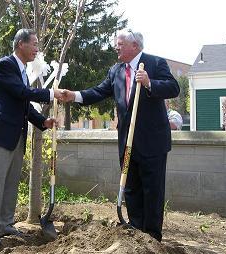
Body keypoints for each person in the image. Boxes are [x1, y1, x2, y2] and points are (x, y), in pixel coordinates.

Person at [61, 29, 180, 242]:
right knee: (131, 187)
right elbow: (98, 92)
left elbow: (173, 88)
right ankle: (136, 231)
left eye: (120, 43)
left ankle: (152, 236)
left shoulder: (155, 63)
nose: (116, 47)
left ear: (135, 46)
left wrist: (150, 83)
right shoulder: (116, 71)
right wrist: (75, 96)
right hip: (127, 143)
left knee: (152, 190)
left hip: (152, 142)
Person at [0, 28, 63, 248]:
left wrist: (42, 122)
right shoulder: (5, 65)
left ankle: (6, 223)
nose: (37, 49)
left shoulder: (22, 71)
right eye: (34, 44)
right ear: (21, 44)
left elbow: (23, 104)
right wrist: (50, 94)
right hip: (0, 133)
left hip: (16, 134)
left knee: (11, 181)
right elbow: (21, 93)